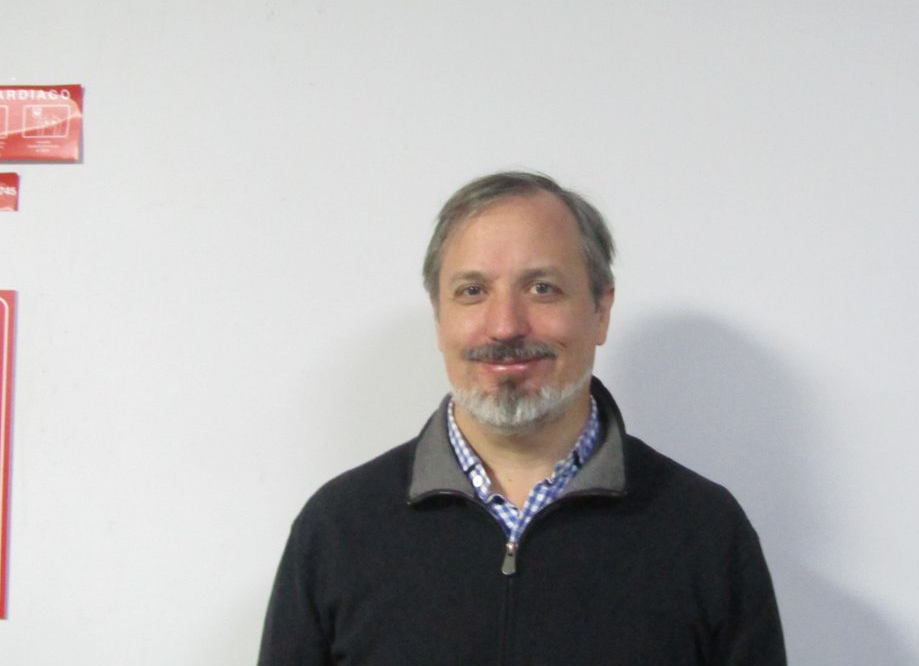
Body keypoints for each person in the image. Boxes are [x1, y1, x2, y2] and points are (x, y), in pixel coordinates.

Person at [258, 171, 786, 665]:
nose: (506, 325)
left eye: (541, 288)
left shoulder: (705, 532)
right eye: (472, 291)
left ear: (601, 311)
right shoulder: (338, 529)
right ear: (439, 317)